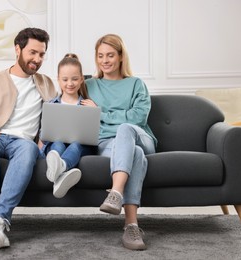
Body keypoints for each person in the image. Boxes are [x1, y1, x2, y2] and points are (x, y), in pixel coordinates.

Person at [0, 27, 57, 249]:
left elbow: (59, 112)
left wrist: (48, 137)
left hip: (22, 143)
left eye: (42, 54)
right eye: (32, 52)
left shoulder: (47, 84)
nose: (37, 59)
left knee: (29, 149)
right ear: (18, 49)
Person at [83, 34, 157, 250]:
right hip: (107, 144)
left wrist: (100, 112)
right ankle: (131, 226)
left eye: (110, 55)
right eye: (100, 56)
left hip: (140, 137)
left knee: (127, 131)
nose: (105, 61)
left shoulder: (136, 84)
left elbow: (137, 118)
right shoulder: (88, 85)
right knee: (135, 154)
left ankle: (115, 193)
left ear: (121, 56)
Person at [39, 53, 95, 198]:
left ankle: (60, 167)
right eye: (65, 79)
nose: (70, 83)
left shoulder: (87, 105)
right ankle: (60, 172)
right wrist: (40, 152)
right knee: (57, 143)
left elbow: (95, 133)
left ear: (82, 79)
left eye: (75, 79)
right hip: (55, 146)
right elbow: (44, 135)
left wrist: (94, 110)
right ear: (58, 80)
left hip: (80, 147)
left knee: (75, 144)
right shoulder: (51, 105)